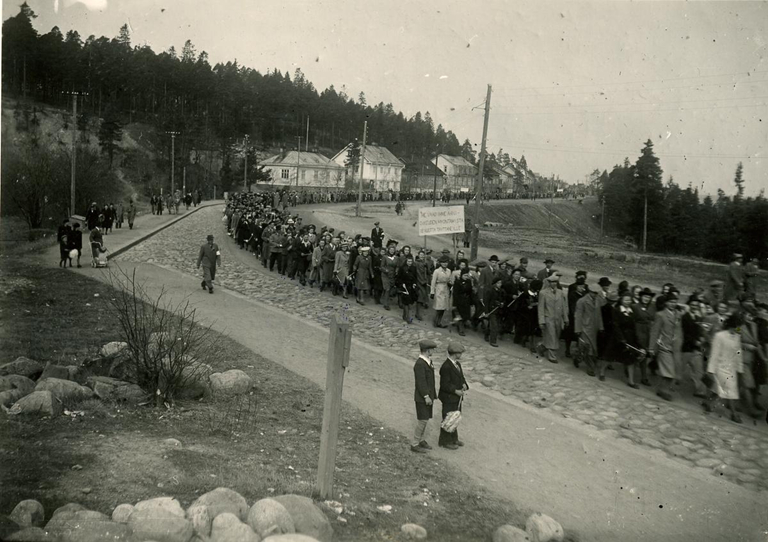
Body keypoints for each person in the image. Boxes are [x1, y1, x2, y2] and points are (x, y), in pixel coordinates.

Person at [704, 314, 744, 423]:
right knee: (729, 390)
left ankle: (708, 402)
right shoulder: (720, 336)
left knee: (719, 389)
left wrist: (740, 368)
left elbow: (738, 353)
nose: (740, 329)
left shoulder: (737, 337)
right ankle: (734, 413)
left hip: (731, 368)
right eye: (738, 326)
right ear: (733, 325)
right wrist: (710, 370)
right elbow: (714, 354)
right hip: (720, 367)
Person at [438, 342, 469, 450]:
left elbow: (461, 377)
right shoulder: (446, 367)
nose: (461, 355)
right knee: (448, 419)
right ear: (455, 353)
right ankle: (445, 441)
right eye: (460, 353)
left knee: (455, 417)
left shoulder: (457, 364)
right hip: (449, 397)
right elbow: (444, 385)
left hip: (456, 398)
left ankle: (453, 438)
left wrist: (464, 384)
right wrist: (455, 391)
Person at [649, 293, 680, 401]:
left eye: (675, 302)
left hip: (675, 347)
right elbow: (655, 332)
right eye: (670, 302)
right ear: (666, 303)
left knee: (671, 371)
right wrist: (651, 348)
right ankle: (663, 391)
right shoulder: (660, 315)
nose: (673, 304)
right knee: (668, 371)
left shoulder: (678, 314)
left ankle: (662, 389)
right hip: (664, 346)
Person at [411, 339, 438, 453]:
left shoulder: (427, 361)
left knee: (425, 419)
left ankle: (421, 440)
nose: (433, 351)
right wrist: (426, 396)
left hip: (428, 396)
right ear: (427, 350)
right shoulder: (420, 364)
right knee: (422, 420)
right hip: (422, 397)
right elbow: (421, 382)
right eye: (432, 349)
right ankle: (415, 443)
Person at [537, 274, 568, 362]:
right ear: (549, 283)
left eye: (555, 282)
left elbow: (563, 307)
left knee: (555, 337)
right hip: (548, 318)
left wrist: (566, 319)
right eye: (552, 282)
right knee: (552, 337)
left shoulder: (561, 293)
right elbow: (541, 308)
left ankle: (541, 347)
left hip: (558, 319)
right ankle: (552, 356)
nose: (554, 284)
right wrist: (541, 321)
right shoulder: (543, 293)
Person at [575, 287, 603, 377]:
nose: (595, 295)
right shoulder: (582, 301)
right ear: (590, 292)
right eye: (593, 293)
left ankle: (577, 358)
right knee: (588, 348)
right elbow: (578, 316)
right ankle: (590, 368)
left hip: (594, 328)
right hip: (585, 328)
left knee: (589, 348)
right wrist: (578, 329)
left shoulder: (598, 301)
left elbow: (599, 315)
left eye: (596, 293)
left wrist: (601, 326)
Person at [632, 288, 655, 386]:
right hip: (638, 330)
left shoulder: (653, 307)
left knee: (645, 356)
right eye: (645, 296)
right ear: (641, 296)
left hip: (648, 332)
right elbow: (632, 321)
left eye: (648, 297)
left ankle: (644, 377)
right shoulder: (635, 307)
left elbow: (654, 319)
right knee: (638, 353)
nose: (646, 299)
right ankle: (630, 374)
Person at [451, 260, 474, 336]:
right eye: (464, 275)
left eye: (467, 275)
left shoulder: (469, 282)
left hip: (466, 301)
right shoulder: (457, 282)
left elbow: (470, 292)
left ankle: (463, 325)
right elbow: (455, 294)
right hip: (459, 301)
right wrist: (454, 304)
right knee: (459, 315)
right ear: (461, 275)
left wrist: (471, 301)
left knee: (465, 315)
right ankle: (460, 329)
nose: (466, 277)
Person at [430, 256, 452, 328]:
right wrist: (432, 292)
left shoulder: (449, 271)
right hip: (439, 289)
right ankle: (435, 321)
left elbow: (449, 280)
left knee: (443, 307)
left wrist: (450, 284)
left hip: (446, 289)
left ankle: (439, 322)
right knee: (439, 307)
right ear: (440, 263)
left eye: (446, 262)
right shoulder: (437, 271)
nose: (445, 264)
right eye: (443, 262)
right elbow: (433, 282)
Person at [397, 255, 419, 323]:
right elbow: (398, 278)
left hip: (411, 287)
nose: (410, 263)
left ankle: (404, 315)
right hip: (404, 287)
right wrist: (401, 284)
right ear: (406, 261)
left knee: (409, 302)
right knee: (406, 302)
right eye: (408, 261)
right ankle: (408, 317)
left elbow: (415, 277)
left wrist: (414, 283)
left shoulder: (414, 268)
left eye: (411, 261)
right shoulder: (402, 268)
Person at [380, 245, 399, 310]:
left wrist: (396, 270)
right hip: (385, 275)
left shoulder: (396, 258)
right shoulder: (385, 257)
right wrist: (385, 270)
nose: (392, 251)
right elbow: (381, 266)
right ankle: (386, 304)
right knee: (387, 289)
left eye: (393, 250)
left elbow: (397, 266)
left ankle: (384, 297)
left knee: (389, 289)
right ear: (388, 250)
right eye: (390, 249)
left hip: (392, 275)